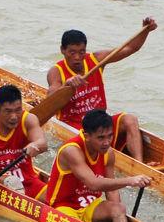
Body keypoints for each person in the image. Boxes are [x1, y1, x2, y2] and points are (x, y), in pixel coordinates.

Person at [44, 19, 156, 162]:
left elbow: (131, 48)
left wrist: (145, 30)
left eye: (81, 52)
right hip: (77, 128)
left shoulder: (97, 60)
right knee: (94, 138)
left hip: (102, 122)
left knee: (130, 119)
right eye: (72, 52)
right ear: (63, 50)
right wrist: (67, 85)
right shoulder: (56, 71)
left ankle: (138, 164)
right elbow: (49, 101)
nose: (77, 58)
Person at [33, 111, 144, 222]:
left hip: (90, 205)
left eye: (110, 136)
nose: (107, 142)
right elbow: (93, 184)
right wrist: (130, 181)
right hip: (64, 207)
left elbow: (111, 191)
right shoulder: (71, 150)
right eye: (101, 138)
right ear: (87, 136)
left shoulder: (109, 153)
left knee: (119, 209)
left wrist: (115, 215)